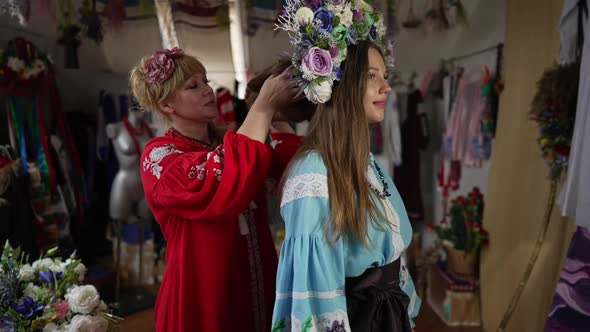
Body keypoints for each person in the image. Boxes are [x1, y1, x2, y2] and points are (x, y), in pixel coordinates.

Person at [271, 1, 421, 331]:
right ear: (341, 85)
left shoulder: (367, 163)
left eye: (385, 76)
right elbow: (314, 296)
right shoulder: (312, 177)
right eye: (371, 77)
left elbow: (394, 261)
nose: (387, 87)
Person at [129, 47, 301, 332]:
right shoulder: (159, 156)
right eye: (193, 86)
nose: (208, 90)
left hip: (257, 276)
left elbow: (290, 172)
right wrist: (262, 108)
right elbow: (218, 178)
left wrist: (277, 116)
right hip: (204, 291)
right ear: (167, 105)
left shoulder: (234, 142)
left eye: (206, 81)